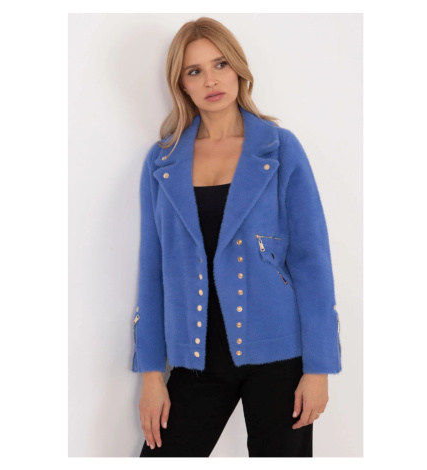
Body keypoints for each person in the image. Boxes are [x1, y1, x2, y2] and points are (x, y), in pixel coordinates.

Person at [131, 17, 342, 457]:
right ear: (181, 84)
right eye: (195, 71)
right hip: (195, 359)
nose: (211, 80)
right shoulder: (163, 161)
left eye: (220, 64)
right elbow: (153, 268)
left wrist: (319, 368)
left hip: (280, 356)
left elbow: (311, 260)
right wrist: (151, 372)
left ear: (239, 69)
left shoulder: (279, 148)